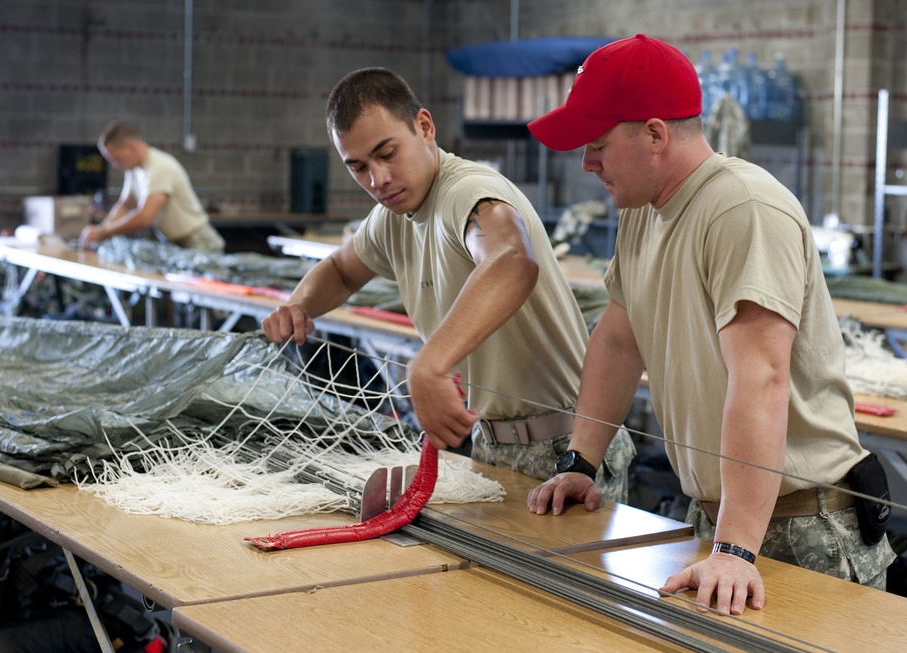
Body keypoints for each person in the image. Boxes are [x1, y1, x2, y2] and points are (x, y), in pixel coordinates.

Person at [525, 34, 895, 614]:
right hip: (726, 520)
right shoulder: (645, 212)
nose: (587, 162)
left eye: (597, 144)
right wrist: (581, 461)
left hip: (799, 526)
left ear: (654, 134)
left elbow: (762, 378)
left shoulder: (742, 208)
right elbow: (620, 343)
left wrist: (736, 548)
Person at [260, 67, 634, 497]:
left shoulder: (467, 191)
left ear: (424, 126)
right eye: (358, 167)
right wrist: (299, 305)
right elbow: (342, 269)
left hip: (566, 451)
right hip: (492, 443)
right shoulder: (392, 217)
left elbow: (512, 260)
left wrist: (429, 363)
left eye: (387, 154)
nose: (377, 180)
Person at [79, 122, 225, 253]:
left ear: (131, 147)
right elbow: (125, 205)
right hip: (175, 244)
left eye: (116, 158)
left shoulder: (160, 167)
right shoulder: (134, 170)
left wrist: (102, 232)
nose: (116, 165)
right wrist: (99, 232)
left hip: (199, 244)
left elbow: (145, 218)